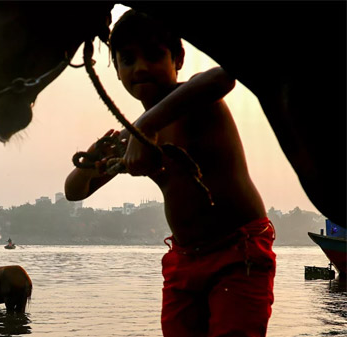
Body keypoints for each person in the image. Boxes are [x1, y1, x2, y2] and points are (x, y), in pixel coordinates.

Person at [65, 10, 276, 337]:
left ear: (177, 58)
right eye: (127, 60)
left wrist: (145, 125)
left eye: (153, 55)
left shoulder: (196, 97)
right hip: (183, 262)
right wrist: (95, 157)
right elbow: (74, 190)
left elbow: (224, 76)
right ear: (117, 69)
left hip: (239, 253)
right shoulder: (130, 138)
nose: (140, 68)